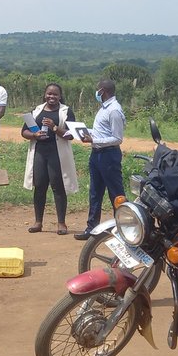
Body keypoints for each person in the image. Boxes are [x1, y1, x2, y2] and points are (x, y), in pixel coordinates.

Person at [21, 83, 79, 235]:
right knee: (39, 186)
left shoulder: (66, 111)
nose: (51, 97)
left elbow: (71, 135)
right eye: (49, 94)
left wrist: (54, 127)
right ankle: (38, 222)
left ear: (60, 96)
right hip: (40, 152)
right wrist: (35, 135)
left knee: (58, 186)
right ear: (45, 94)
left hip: (57, 154)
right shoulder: (37, 111)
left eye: (55, 94)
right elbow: (24, 131)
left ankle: (61, 223)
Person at [74, 79, 125, 240]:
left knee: (116, 193)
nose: (96, 93)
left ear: (102, 91)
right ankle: (92, 228)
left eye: (98, 90)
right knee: (95, 192)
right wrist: (81, 132)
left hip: (109, 155)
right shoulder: (103, 108)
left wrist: (93, 140)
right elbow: (101, 132)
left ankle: (125, 228)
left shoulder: (114, 110)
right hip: (96, 155)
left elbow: (117, 138)